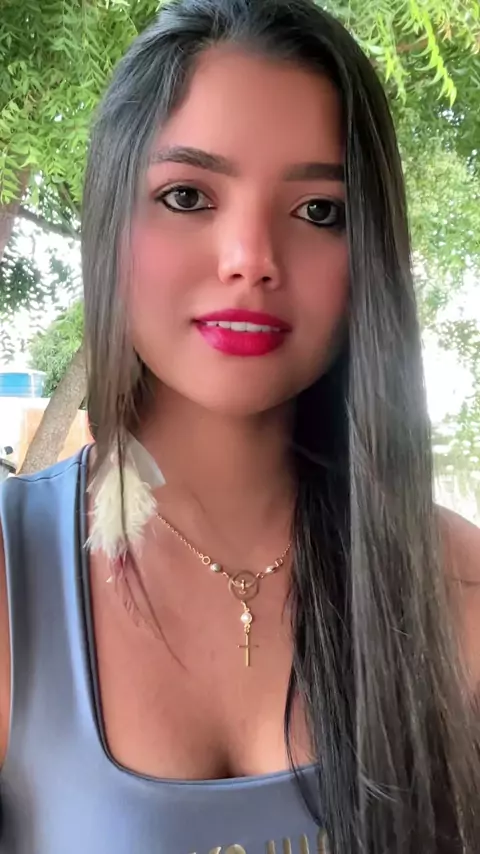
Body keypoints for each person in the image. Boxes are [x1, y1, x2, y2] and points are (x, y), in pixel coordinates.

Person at [1, 0, 480, 851]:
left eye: (320, 211)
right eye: (187, 196)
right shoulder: (15, 580)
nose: (251, 258)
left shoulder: (459, 586)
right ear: (109, 225)